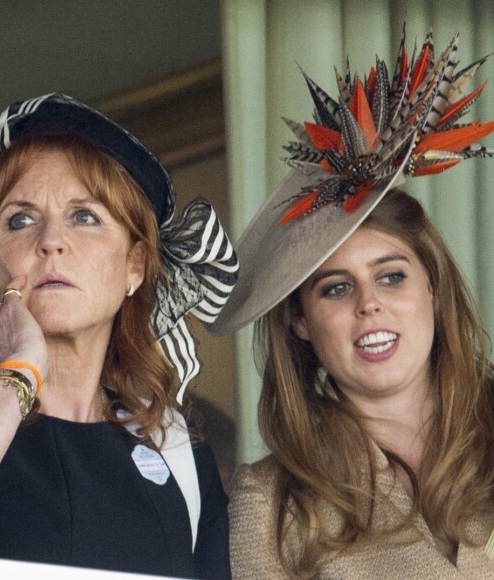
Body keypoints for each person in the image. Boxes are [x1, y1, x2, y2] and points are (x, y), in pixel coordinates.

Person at [0, 93, 238, 579]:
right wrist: (21, 369)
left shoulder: (180, 454)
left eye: (84, 216)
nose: (50, 240)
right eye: (20, 219)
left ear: (135, 265)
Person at [209, 28, 494, 578]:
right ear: (299, 322)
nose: (369, 304)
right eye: (336, 288)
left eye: (391, 277)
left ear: (432, 290)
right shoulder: (269, 504)